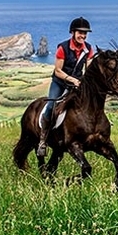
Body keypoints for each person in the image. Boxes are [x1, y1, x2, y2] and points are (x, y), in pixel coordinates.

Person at [37, 17, 95, 157]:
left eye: (85, 33)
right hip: (60, 82)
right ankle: (43, 141)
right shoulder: (62, 48)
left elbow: (89, 69)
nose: (83, 35)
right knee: (51, 106)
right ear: (73, 32)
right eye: (80, 32)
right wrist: (72, 80)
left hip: (77, 84)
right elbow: (58, 71)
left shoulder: (88, 49)